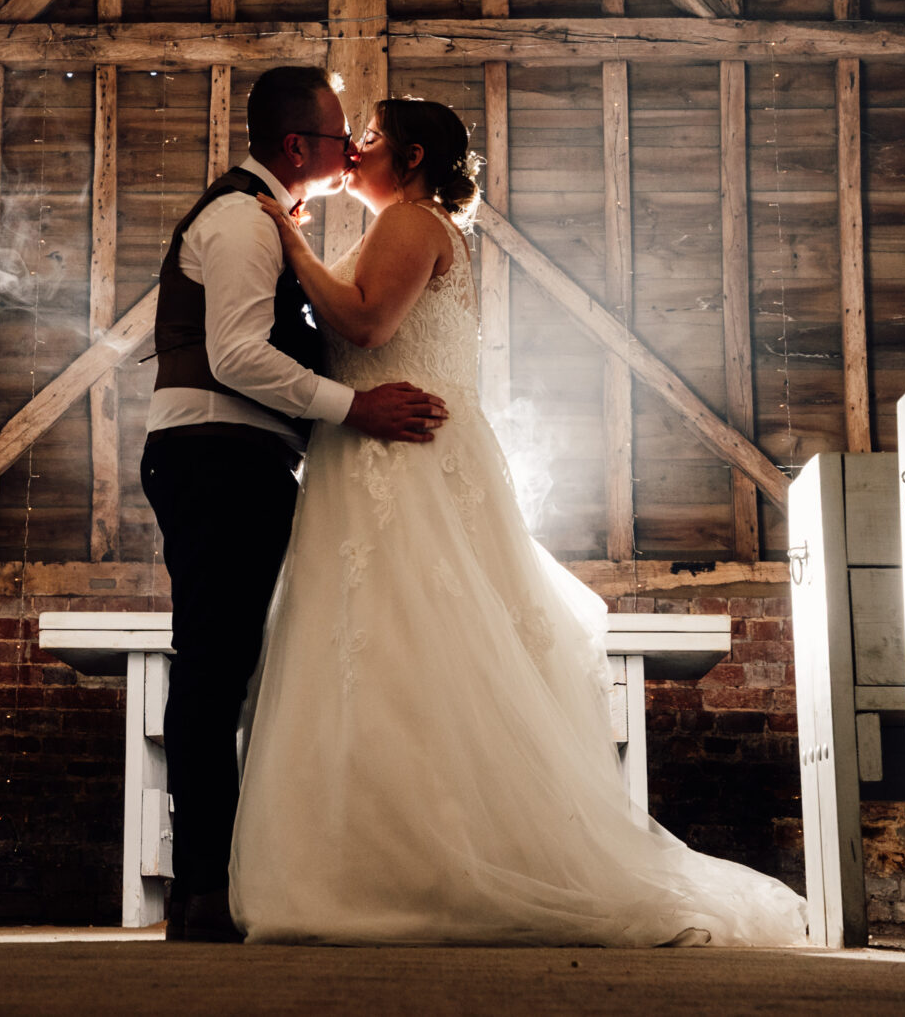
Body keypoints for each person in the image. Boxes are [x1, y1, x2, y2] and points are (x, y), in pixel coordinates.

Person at [227, 96, 807, 948]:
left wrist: (290, 243)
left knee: (406, 651)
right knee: (395, 660)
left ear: (413, 155)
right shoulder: (405, 227)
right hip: (383, 452)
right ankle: (391, 859)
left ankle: (424, 865)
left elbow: (366, 322)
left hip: (402, 459)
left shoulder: (409, 223)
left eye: (374, 137)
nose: (356, 147)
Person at [140, 66, 450, 944]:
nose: (350, 149)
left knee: (230, 666)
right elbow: (235, 357)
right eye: (337, 136)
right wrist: (356, 408)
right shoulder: (242, 218)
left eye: (365, 137)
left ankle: (219, 878)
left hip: (243, 458)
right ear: (294, 147)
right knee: (212, 668)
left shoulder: (272, 222)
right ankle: (201, 887)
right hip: (215, 455)